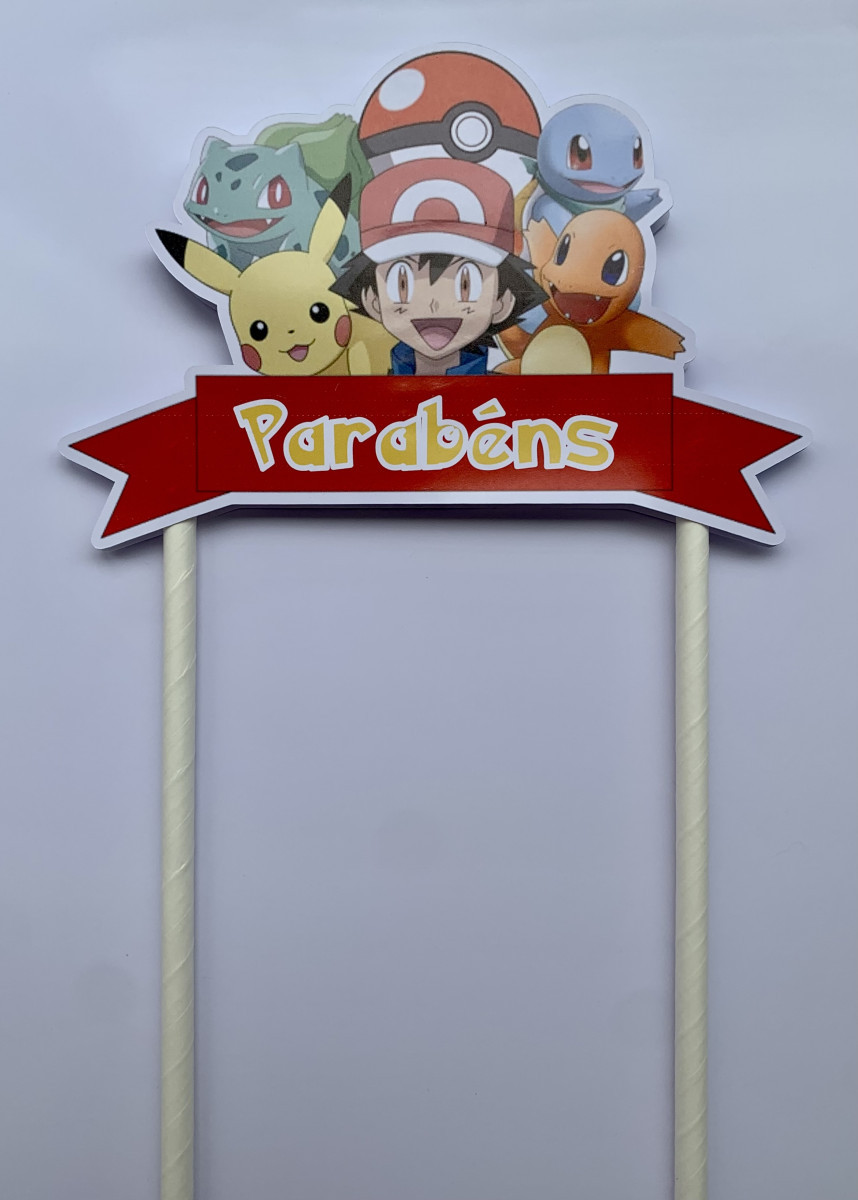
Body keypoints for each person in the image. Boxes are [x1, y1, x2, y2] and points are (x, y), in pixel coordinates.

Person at [330, 159, 545, 375]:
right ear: (372, 299)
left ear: (503, 300)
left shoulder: (506, 393)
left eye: (465, 285)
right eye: (402, 285)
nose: (434, 304)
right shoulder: (371, 393)